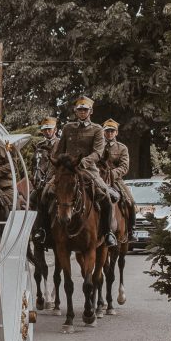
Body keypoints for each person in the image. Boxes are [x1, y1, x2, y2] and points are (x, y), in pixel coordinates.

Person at [56, 96, 119, 247]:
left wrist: (83, 162)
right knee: (45, 194)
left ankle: (108, 232)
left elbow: (98, 153)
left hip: (89, 170)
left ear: (90, 111)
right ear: (75, 111)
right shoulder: (67, 128)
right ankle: (43, 231)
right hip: (68, 170)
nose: (82, 112)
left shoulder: (97, 129)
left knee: (105, 196)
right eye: (80, 110)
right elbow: (60, 151)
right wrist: (60, 165)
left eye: (85, 110)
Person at [100, 119, 135, 234]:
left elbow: (124, 167)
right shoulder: (97, 146)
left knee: (130, 202)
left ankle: (130, 229)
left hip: (116, 180)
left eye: (112, 131)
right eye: (107, 131)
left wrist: (111, 174)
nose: (109, 133)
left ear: (116, 133)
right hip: (98, 179)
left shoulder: (122, 148)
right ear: (103, 132)